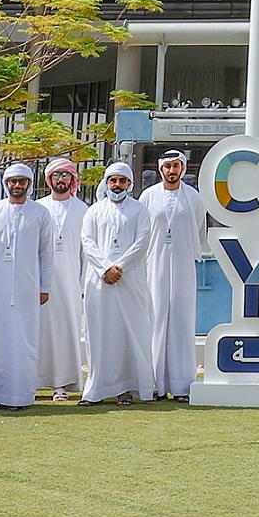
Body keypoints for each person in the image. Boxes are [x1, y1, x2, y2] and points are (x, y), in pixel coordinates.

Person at [0, 161, 49, 410]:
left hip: (27, 287)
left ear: (29, 184)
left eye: (22, 181)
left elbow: (46, 253)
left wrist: (45, 286)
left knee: (22, 342)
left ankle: (18, 396)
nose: (17, 186)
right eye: (12, 181)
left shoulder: (40, 213)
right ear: (6, 184)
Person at [78, 159, 151, 404]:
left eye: (122, 181)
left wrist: (120, 267)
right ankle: (96, 390)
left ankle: (125, 389)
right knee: (99, 334)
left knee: (127, 334)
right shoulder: (94, 211)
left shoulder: (139, 210)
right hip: (100, 283)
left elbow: (142, 241)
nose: (117, 185)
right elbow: (87, 242)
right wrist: (105, 269)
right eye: (113, 180)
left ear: (129, 184)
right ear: (106, 182)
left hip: (130, 281)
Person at [139, 150, 206, 402]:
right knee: (154, 321)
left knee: (181, 321)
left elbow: (198, 230)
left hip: (183, 265)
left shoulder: (194, 198)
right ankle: (155, 384)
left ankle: (182, 386)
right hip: (153, 264)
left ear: (183, 168)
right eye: (167, 166)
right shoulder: (148, 196)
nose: (171, 170)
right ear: (160, 169)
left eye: (176, 166)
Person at [34, 156, 87, 400]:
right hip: (40, 283)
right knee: (37, 332)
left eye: (65, 175)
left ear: (73, 180)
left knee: (67, 332)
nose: (61, 180)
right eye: (56, 175)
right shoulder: (38, 207)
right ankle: (33, 382)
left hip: (70, 285)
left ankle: (61, 386)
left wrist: (84, 284)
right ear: (49, 179)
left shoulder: (83, 209)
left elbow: (87, 251)